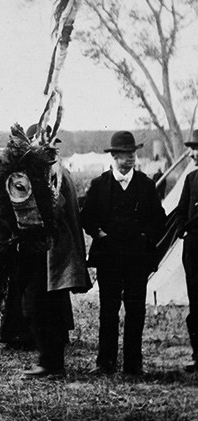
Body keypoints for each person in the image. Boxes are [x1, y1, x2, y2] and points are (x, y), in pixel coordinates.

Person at [81, 131, 165, 375]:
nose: (131, 157)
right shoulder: (99, 185)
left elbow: (158, 219)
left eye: (133, 153)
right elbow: (87, 216)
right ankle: (105, 363)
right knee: (108, 309)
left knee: (135, 309)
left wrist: (144, 237)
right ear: (114, 156)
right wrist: (99, 234)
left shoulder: (146, 185)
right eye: (126, 153)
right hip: (108, 257)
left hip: (137, 258)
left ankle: (133, 364)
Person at [18, 125, 91, 377]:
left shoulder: (54, 173)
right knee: (43, 305)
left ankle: (50, 362)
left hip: (52, 250)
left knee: (41, 305)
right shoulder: (46, 171)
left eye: (50, 145)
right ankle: (50, 361)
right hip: (47, 250)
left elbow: (55, 209)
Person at [168, 129, 198, 372]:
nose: (192, 154)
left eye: (196, 149)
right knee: (196, 304)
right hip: (193, 251)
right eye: (192, 149)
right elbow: (180, 210)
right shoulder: (191, 179)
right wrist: (182, 230)